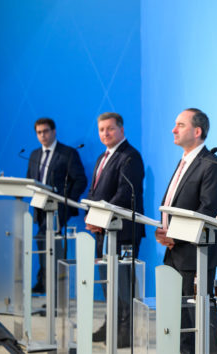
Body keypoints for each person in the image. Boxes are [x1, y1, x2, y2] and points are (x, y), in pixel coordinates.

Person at [155, 108, 217, 353]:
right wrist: (163, 230)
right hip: (175, 252)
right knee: (180, 321)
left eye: (180, 125)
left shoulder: (211, 164)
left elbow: (208, 210)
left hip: (196, 254)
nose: (173, 130)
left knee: (200, 319)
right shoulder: (184, 161)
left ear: (197, 131)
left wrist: (174, 234)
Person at [86, 112, 145, 347]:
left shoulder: (130, 157)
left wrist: (99, 218)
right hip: (103, 231)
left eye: (110, 129)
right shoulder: (103, 156)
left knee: (122, 285)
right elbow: (94, 192)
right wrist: (91, 217)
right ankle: (109, 324)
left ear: (121, 129)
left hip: (122, 232)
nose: (105, 134)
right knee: (107, 283)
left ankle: (125, 331)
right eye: (101, 130)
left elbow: (124, 195)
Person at [26, 117, 87, 294]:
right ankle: (45, 283)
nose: (42, 135)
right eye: (39, 132)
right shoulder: (34, 154)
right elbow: (31, 180)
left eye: (45, 131)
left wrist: (66, 203)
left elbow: (80, 180)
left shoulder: (68, 153)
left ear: (54, 131)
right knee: (43, 248)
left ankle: (55, 290)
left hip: (58, 211)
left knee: (53, 251)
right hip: (40, 210)